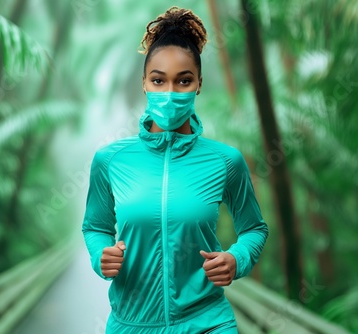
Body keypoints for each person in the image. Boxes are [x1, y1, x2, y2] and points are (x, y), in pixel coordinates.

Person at [82, 6, 268, 334]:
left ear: (198, 85)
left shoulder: (225, 161)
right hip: (131, 324)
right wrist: (101, 255)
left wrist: (237, 258)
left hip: (208, 322)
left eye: (183, 81)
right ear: (144, 83)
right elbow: (95, 227)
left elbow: (254, 228)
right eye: (158, 80)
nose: (170, 93)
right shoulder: (110, 160)